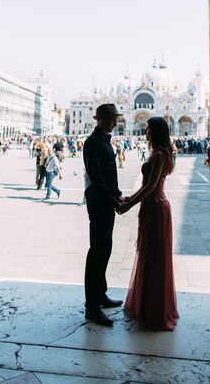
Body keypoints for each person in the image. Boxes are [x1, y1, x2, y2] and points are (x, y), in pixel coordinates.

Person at [117, 117, 179, 331]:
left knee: (154, 258)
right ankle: (148, 305)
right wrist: (129, 198)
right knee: (149, 256)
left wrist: (128, 205)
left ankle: (155, 311)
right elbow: (147, 186)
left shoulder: (161, 155)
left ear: (158, 132)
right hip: (152, 207)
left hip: (156, 207)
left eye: (149, 130)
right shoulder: (160, 153)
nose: (146, 133)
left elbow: (151, 187)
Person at [83, 103, 124, 327]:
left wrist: (117, 194)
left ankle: (101, 294)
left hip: (107, 200)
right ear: (102, 119)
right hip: (99, 202)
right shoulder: (92, 143)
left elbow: (109, 175)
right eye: (112, 119)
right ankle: (91, 307)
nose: (116, 123)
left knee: (106, 247)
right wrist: (112, 200)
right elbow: (97, 177)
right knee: (97, 250)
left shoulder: (104, 140)